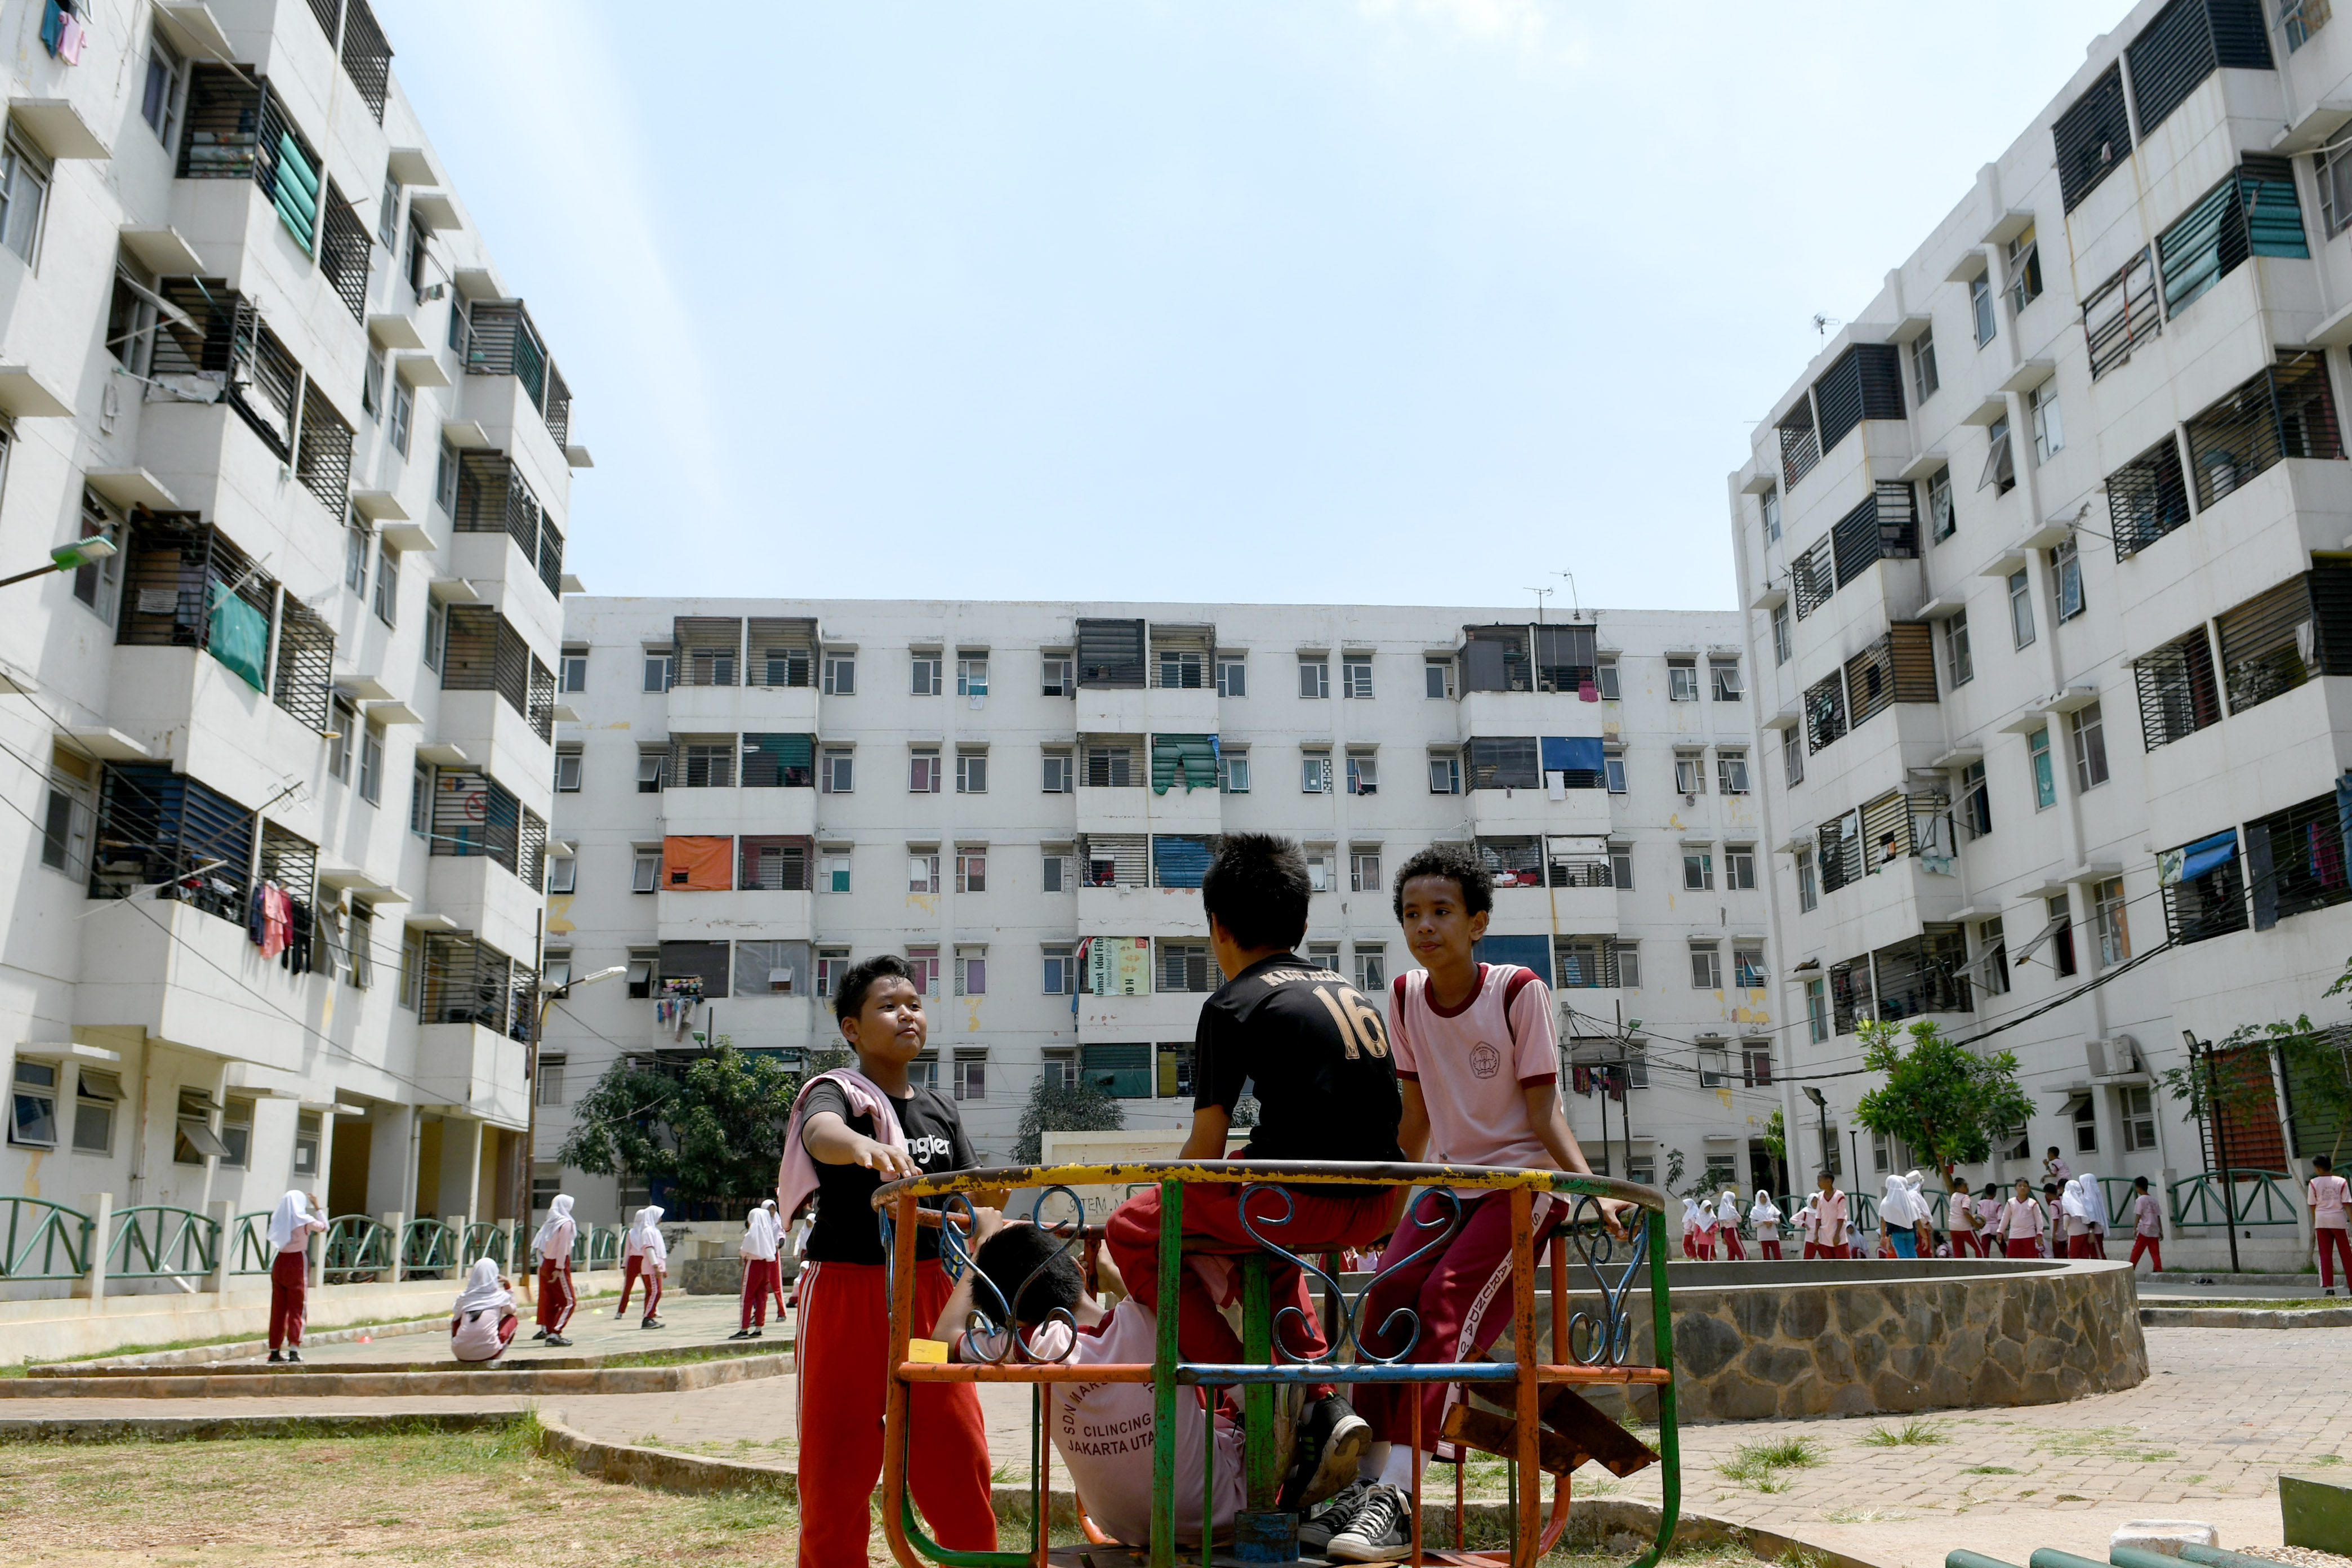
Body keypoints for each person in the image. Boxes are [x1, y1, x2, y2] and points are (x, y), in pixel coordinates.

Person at [1102, 835, 1401, 1516]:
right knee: (1260, 1256)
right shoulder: (1346, 987)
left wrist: (1167, 1206)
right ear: (1302, 924)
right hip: (1381, 1200)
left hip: (1295, 1200)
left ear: (1217, 927)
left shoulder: (1232, 1004)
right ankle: (1322, 1401)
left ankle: (1246, 1391)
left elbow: (1206, 1144)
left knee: (1134, 1230)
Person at [1334, 846, 1615, 1562]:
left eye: (1441, 912)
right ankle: (1363, 1483)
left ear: (1477, 921)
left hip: (1522, 1186)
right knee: (1388, 1294)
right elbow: (1416, 1119)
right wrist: (1379, 1204)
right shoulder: (1402, 997)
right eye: (1411, 915)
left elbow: (1545, 1112)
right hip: (1451, 1183)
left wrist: (1590, 1190)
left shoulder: (1518, 991)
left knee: (1443, 1309)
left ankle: (1400, 1495)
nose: (1424, 926)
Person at [782, 954, 1000, 1568]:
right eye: (887, 1005)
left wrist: (991, 1204)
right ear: (852, 1029)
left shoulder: (941, 1110)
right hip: (848, 1300)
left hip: (928, 1307)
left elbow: (974, 1188)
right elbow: (819, 1131)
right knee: (837, 1463)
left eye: (914, 1003)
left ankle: (971, 1557)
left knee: (955, 1451)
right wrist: (862, 1147)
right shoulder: (839, 1094)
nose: (906, 1014)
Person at [937, 1214, 1248, 1550]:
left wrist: (982, 1250)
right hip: (1226, 1511)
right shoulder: (1150, 1319)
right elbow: (1161, 1310)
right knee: (1236, 1399)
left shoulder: (1036, 1345)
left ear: (1016, 1320)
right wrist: (1114, 1277)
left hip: (1126, 1526)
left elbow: (941, 1341)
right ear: (1079, 1271)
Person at [265, 1191, 328, 1364]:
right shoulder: (305, 1221)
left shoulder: (278, 1220)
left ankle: (275, 1350)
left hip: (280, 1262)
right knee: (298, 1307)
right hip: (297, 1261)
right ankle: (294, 1349)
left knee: (278, 1308)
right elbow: (325, 1227)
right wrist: (317, 1207)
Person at [530, 1194, 577, 1347]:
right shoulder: (566, 1223)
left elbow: (540, 1243)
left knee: (551, 1302)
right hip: (558, 1264)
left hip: (546, 1263)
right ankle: (555, 1333)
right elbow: (563, 1247)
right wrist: (559, 1267)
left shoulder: (550, 1222)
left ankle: (550, 1332)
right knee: (569, 1302)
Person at [451, 1258, 520, 1363]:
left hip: (460, 1353)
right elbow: (512, 1310)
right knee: (513, 1319)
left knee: (456, 1319)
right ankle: (496, 1356)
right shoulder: (501, 1297)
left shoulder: (464, 1297)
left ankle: (462, 1347)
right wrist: (508, 1286)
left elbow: (456, 1316)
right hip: (489, 1353)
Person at [733, 1200, 782, 1340]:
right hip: (767, 1265)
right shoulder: (769, 1233)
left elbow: (745, 1249)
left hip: (754, 1264)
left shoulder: (753, 1232)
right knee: (762, 1297)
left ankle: (744, 1328)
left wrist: (742, 1254)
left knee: (747, 1296)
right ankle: (759, 1327)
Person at [2309, 1154, 2351, 1295]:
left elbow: (2312, 1205)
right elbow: (2347, 1204)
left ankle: (2329, 1287)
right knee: (2346, 1254)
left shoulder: (2313, 1183)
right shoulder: (2342, 1182)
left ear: (2319, 1168)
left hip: (2322, 1221)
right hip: (2338, 1220)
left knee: (2325, 1254)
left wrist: (2316, 1220)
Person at [629, 1205, 667, 1328]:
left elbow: (659, 1252)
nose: (661, 1218)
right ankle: (647, 1318)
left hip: (656, 1267)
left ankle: (651, 1316)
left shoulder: (655, 1231)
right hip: (650, 1268)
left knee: (657, 1292)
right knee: (655, 1292)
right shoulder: (648, 1231)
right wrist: (656, 1267)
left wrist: (663, 1268)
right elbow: (650, 1249)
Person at [1998, 1178, 2046, 1258]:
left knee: (2030, 1258)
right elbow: (2005, 1218)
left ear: (2028, 1189)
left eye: (2025, 1186)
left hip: (2029, 1234)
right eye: (2020, 1186)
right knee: (2012, 1258)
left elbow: (2039, 1219)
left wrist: (2039, 1234)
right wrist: (2000, 1231)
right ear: (2016, 1188)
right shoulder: (2011, 1202)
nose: (2022, 1188)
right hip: (2014, 1234)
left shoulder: (2033, 1203)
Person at [616, 1206, 649, 1320]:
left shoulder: (633, 1232)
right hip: (641, 1260)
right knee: (648, 1288)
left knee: (630, 1287)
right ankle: (650, 1311)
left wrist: (625, 1265)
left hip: (634, 1261)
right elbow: (627, 1250)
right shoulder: (642, 1232)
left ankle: (620, 1312)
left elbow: (627, 1251)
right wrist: (625, 1265)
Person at [2128, 1175, 2164, 1274]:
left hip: (2144, 1229)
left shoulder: (2140, 1200)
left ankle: (2131, 1267)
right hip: (2154, 1229)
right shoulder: (2154, 1200)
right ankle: (2158, 1268)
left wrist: (2135, 1228)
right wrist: (2160, 1230)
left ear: (2138, 1188)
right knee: (2155, 1251)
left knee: (2137, 1250)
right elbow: (2158, 1216)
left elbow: (2138, 1215)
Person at [1814, 1171, 1851, 1259]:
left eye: (1820, 1180)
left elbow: (1841, 1216)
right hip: (1825, 1235)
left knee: (1843, 1262)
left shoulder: (1839, 1195)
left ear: (1829, 1182)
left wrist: (1837, 1235)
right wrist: (1816, 1234)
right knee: (1829, 1263)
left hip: (1838, 1235)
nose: (1818, 1183)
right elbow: (1818, 1216)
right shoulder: (1820, 1196)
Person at [2059, 1178, 2098, 1258]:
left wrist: (2065, 1228)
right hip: (2085, 1230)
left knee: (2073, 1254)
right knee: (2084, 1253)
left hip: (2074, 1231)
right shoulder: (2083, 1199)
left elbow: (2066, 1218)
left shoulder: (2067, 1199)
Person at [1948, 1184, 1981, 1257]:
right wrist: (1975, 1224)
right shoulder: (1966, 1198)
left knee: (1958, 1251)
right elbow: (1965, 1212)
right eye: (1965, 1186)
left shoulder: (1954, 1195)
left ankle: (1958, 1268)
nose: (1968, 1187)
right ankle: (1982, 1267)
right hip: (1964, 1226)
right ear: (1959, 1188)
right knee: (1979, 1249)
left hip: (1952, 1226)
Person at [1750, 1190, 1783, 1259]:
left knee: (1778, 1254)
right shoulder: (1755, 1210)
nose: (1763, 1199)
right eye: (1761, 1197)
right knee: (1766, 1256)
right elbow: (1753, 1224)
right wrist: (1763, 1222)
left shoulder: (1772, 1207)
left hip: (1773, 1235)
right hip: (1763, 1236)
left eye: (1764, 1197)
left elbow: (1778, 1220)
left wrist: (1772, 1221)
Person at [1716, 1188, 1747, 1261]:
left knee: (1731, 1252)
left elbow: (1722, 1226)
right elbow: (1739, 1220)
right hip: (1733, 1231)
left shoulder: (1721, 1210)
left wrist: (1723, 1238)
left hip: (1726, 1233)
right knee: (1742, 1253)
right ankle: (1746, 1267)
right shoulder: (1731, 1209)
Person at [2041, 1182, 2066, 1259]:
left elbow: (2056, 1220)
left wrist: (2054, 1234)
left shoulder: (2053, 1205)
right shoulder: (2062, 1200)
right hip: (2065, 1232)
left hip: (2058, 1234)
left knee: (2059, 1256)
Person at [1797, 1192, 1821, 1259]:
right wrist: (1803, 1224)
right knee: (1808, 1258)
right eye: (1813, 1201)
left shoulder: (1822, 1210)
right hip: (1810, 1238)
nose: (1815, 1203)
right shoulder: (1806, 1211)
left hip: (1822, 1237)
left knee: (1826, 1257)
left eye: (1817, 1201)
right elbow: (1793, 1219)